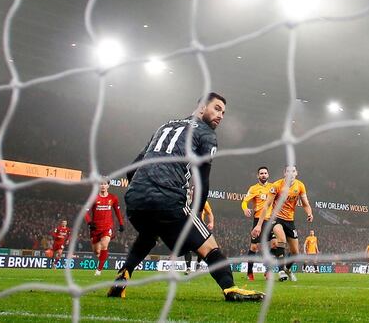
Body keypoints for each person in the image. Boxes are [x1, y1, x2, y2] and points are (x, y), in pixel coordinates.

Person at [108, 92, 263, 302]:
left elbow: (131, 171)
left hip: (135, 200)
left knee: (149, 233)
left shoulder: (165, 126)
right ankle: (230, 288)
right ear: (201, 107)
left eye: (224, 112)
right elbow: (202, 182)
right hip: (168, 199)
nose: (221, 116)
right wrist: (196, 215)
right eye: (216, 108)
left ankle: (124, 274)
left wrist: (143, 190)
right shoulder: (206, 134)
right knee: (210, 246)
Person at [251, 165, 313, 282]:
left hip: (290, 220)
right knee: (281, 240)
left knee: (295, 253)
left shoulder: (300, 186)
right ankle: (280, 271)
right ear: (284, 173)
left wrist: (309, 213)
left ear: (296, 173)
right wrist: (258, 225)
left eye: (293, 171)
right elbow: (266, 206)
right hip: (276, 218)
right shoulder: (276, 186)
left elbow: (305, 203)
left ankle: (288, 269)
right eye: (288, 171)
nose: (291, 173)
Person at [85, 179, 125, 276]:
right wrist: (90, 222)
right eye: (101, 184)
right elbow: (85, 212)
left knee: (104, 245)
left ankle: (99, 270)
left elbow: (117, 212)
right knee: (96, 251)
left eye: (105, 184)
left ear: (108, 186)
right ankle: (102, 259)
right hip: (95, 228)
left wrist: (121, 223)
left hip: (107, 227)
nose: (103, 186)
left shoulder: (113, 198)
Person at [242, 166, 273, 281]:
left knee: (274, 244)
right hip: (258, 220)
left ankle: (268, 271)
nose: (263, 175)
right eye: (261, 173)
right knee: (254, 247)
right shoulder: (253, 188)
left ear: (268, 175)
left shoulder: (273, 187)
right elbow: (244, 201)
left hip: (271, 220)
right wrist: (245, 209)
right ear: (258, 176)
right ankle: (250, 272)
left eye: (265, 173)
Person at [183, 195, 214, 275]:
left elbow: (210, 213)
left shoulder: (203, 202)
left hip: (199, 227)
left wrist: (211, 223)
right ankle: (188, 268)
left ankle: (197, 263)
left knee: (201, 248)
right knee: (187, 248)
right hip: (188, 227)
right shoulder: (185, 201)